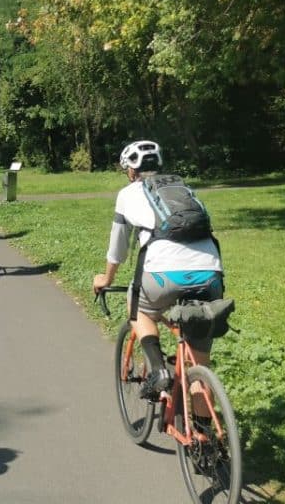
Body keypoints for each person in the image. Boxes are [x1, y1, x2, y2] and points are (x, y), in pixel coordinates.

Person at [92, 140, 223, 401]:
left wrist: (106, 278)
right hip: (210, 274)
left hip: (162, 276)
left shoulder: (127, 194)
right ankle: (204, 426)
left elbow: (118, 249)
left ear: (131, 170)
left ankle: (158, 371)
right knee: (199, 365)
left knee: (138, 308)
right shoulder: (183, 189)